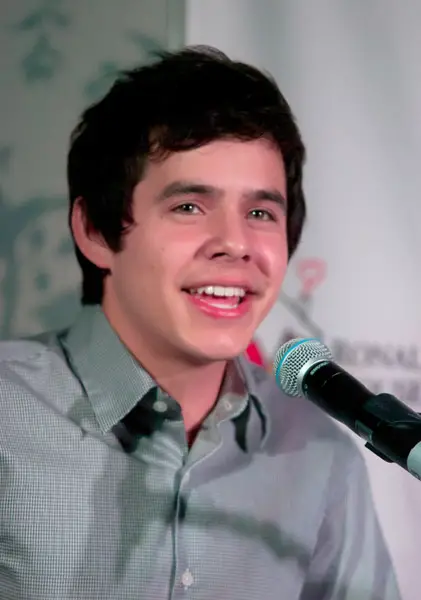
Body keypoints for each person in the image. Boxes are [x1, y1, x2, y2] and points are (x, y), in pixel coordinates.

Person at [0, 46, 400, 600]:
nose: (236, 243)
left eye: (261, 213)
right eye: (189, 206)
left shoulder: (317, 453)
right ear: (95, 230)